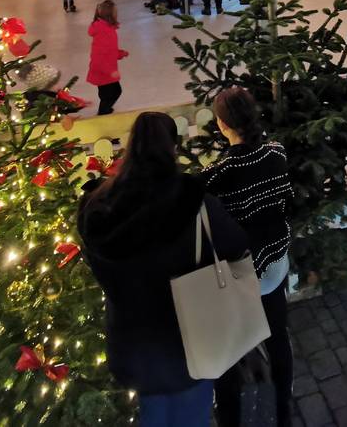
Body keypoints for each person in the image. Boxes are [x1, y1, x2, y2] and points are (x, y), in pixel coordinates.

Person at [78, 113, 248, 427]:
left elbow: (97, 264)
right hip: (190, 340)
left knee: (154, 414)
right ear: (173, 147)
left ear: (130, 147)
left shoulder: (96, 208)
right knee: (192, 415)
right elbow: (236, 245)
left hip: (134, 344)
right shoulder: (195, 203)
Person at [205, 88, 294, 427]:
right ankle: (283, 409)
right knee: (278, 336)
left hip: (242, 274)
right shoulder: (276, 152)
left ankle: (232, 415)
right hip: (276, 262)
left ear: (222, 124)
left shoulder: (217, 174)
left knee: (229, 349)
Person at [87, 0, 129, 115]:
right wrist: (110, 71)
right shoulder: (105, 31)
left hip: (104, 71)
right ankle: (103, 113)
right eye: (116, 12)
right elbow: (100, 56)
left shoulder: (106, 28)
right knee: (112, 93)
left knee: (108, 94)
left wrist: (120, 53)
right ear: (110, 15)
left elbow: (109, 50)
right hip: (104, 72)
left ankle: (105, 110)